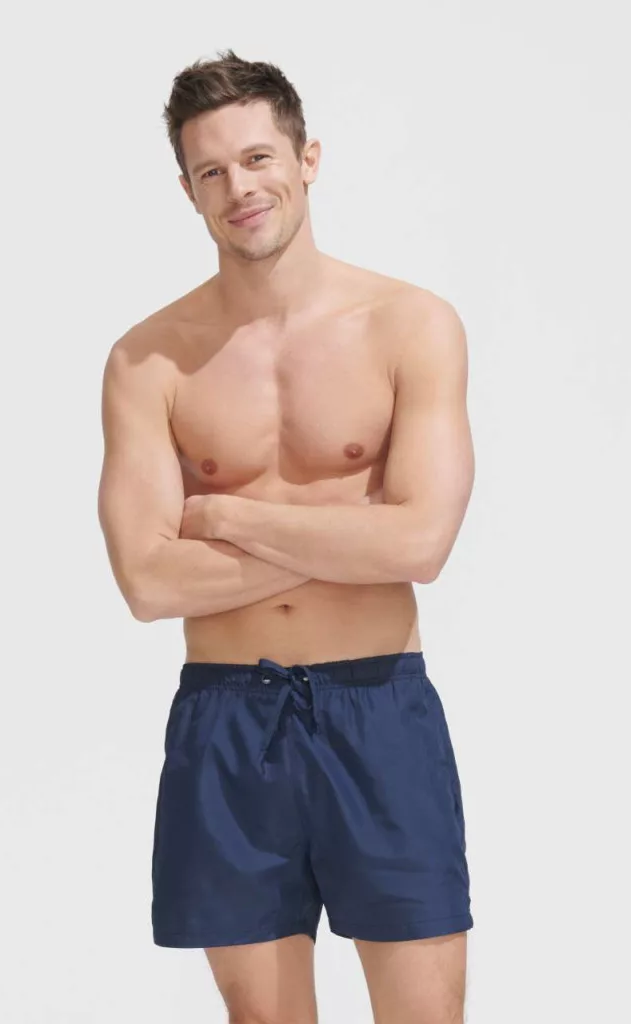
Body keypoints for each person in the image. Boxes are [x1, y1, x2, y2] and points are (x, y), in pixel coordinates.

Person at [98, 48, 475, 1024]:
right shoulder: (148, 361)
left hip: (378, 707)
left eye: (257, 158)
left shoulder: (409, 326)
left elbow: (419, 546)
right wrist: (351, 531)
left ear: (306, 159)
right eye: (211, 170)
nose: (240, 188)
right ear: (187, 190)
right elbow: (147, 581)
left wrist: (224, 515)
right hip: (227, 719)